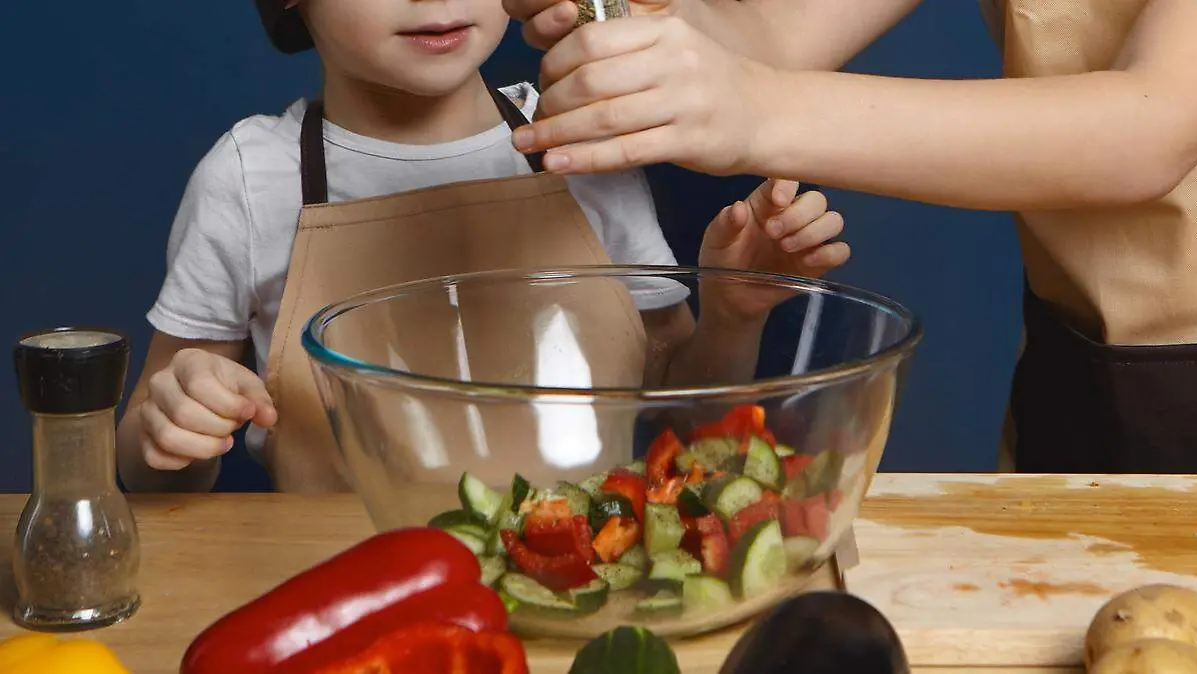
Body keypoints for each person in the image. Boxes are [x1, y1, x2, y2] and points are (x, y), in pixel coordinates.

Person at [115, 0, 851, 493]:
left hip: (579, 585)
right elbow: (146, 467)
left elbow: (685, 420)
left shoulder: (584, 140)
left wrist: (731, 316)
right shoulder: (248, 179)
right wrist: (170, 426)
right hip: (341, 598)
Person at [506, 0, 1197, 474]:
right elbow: (774, 35)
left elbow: (1154, 126)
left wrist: (751, 107)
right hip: (1084, 361)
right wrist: (634, 19)